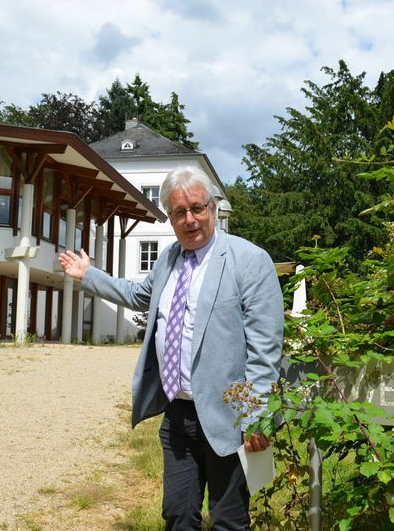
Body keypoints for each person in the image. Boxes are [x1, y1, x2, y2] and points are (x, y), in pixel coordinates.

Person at [59, 167, 283, 530]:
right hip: (178, 416)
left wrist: (255, 418)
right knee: (178, 517)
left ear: (212, 208)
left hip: (229, 419)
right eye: (180, 212)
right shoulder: (168, 258)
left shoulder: (249, 260)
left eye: (197, 208)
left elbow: (265, 350)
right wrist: (90, 275)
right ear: (169, 216)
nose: (190, 219)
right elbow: (138, 296)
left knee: (229, 521)